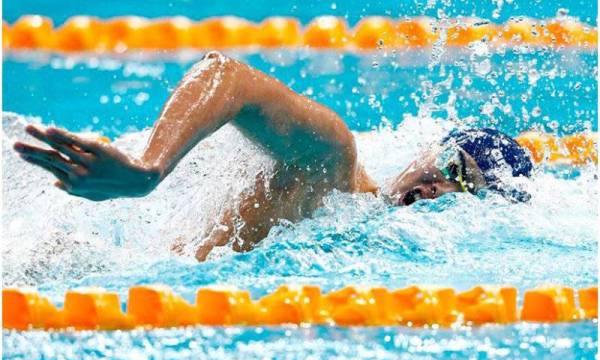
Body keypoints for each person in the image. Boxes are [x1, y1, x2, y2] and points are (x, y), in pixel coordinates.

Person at [13, 51, 533, 261]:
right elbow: (227, 74)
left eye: (465, 194)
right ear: (427, 151)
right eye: (452, 169)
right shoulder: (333, 162)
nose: (442, 191)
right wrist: (150, 170)